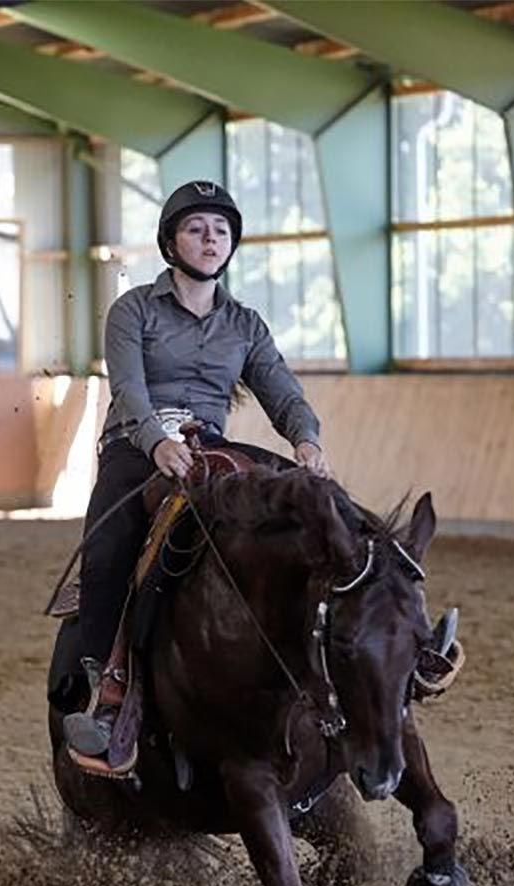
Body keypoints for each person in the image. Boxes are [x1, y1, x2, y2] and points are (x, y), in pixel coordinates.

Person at [64, 179, 330, 773]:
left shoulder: (246, 324)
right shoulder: (133, 309)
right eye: (196, 229)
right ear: (171, 243)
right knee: (107, 548)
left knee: (310, 507)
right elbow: (128, 388)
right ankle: (105, 690)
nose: (210, 240)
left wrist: (306, 440)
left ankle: (362, 650)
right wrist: (155, 442)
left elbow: (282, 392)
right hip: (137, 446)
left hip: (209, 449)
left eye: (221, 231)